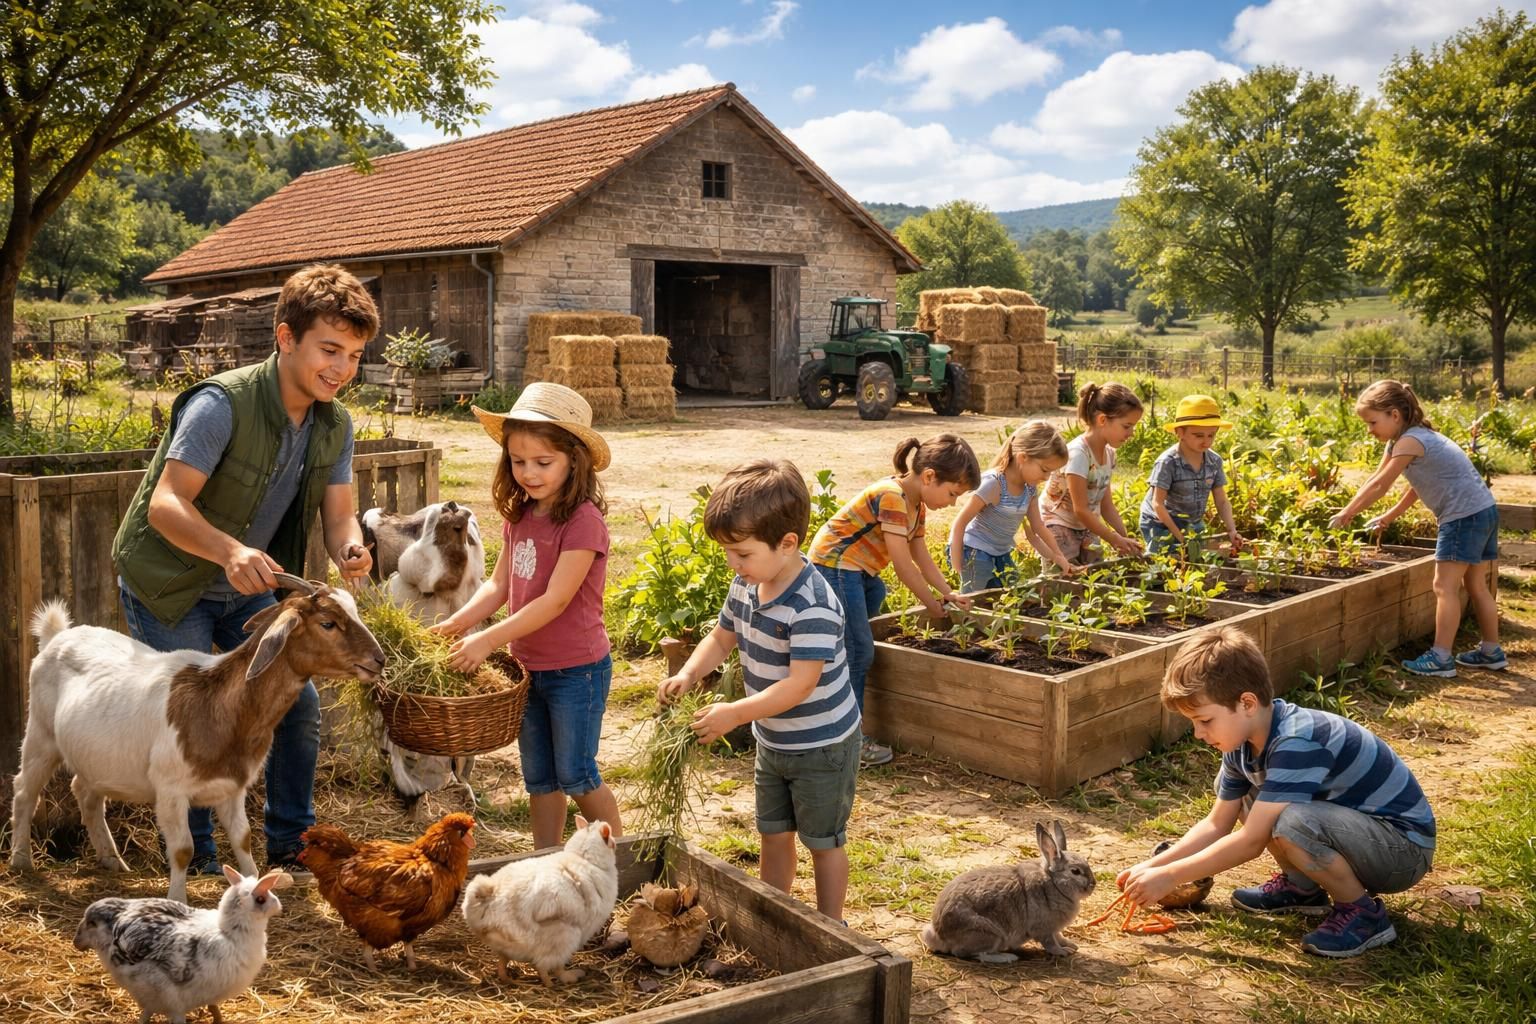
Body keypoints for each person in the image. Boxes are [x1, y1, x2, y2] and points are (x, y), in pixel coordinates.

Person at [112, 263, 378, 874]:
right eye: (329, 350)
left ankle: (293, 843)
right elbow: (165, 505)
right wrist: (231, 552)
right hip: (171, 584)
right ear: (286, 338)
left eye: (355, 355)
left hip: (249, 589)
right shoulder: (220, 405)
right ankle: (200, 859)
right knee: (195, 717)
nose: (342, 368)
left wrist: (350, 548)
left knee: (298, 706)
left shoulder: (334, 424)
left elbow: (340, 517)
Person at [1119, 627, 1435, 958]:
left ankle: (1364, 915)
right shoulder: (1242, 746)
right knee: (1252, 797)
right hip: (1358, 837)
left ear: (1247, 703)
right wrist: (1152, 866)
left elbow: (1252, 841)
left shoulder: (1297, 741)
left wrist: (1170, 877)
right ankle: (1302, 887)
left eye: (1205, 720)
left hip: (1402, 852)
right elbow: (1216, 824)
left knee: (1293, 822)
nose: (1198, 733)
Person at [658, 459, 860, 921]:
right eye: (728, 553)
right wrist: (689, 673)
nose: (734, 563)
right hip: (773, 740)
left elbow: (799, 685)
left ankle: (833, 925)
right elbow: (720, 638)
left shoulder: (812, 605)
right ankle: (774, 915)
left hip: (822, 745)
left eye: (742, 553)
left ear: (787, 543)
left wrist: (734, 713)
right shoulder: (746, 584)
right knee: (773, 831)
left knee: (823, 841)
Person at [432, 383, 622, 850]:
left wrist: (487, 640)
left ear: (574, 460)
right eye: (518, 461)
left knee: (576, 774)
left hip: (577, 670)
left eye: (543, 462)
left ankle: (619, 859)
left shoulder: (583, 522)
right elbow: (498, 586)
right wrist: (459, 623)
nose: (529, 473)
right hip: (528, 669)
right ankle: (546, 858)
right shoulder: (521, 515)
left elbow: (555, 600)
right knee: (539, 777)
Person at [810, 434, 980, 768]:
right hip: (836, 565)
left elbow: (921, 556)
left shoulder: (916, 505)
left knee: (865, 623)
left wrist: (946, 592)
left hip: (860, 572)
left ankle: (834, 705)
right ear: (929, 476)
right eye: (952, 494)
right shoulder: (891, 496)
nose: (953, 503)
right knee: (859, 651)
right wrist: (930, 604)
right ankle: (849, 742)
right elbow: (903, 566)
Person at [1328, 379, 1502, 676]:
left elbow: (1381, 485)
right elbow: (1410, 485)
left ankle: (1441, 658)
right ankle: (1491, 651)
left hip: (1462, 517)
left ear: (1395, 415)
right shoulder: (1411, 439)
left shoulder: (1409, 442)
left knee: (1444, 587)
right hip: (1483, 511)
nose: (1369, 430)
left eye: (1372, 422)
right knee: (1476, 585)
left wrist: (1346, 513)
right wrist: (1388, 516)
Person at [947, 421, 1075, 592]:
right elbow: (960, 522)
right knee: (974, 598)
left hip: (1001, 553)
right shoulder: (995, 484)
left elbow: (1036, 530)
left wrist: (1057, 556)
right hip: (974, 551)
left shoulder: (1030, 489)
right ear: (1022, 457)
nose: (1047, 477)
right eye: (1045, 470)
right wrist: (957, 564)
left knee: (1013, 594)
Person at [1040, 382, 1145, 565]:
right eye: (1127, 426)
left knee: (1095, 573)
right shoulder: (1079, 454)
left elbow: (1106, 506)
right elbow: (1080, 509)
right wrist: (1113, 539)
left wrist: (1125, 538)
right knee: (1063, 577)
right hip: (1058, 524)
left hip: (1086, 524)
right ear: (1102, 420)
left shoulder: (1109, 454)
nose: (1131, 433)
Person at [1138, 393, 1245, 556]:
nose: (1206, 441)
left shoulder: (1214, 461)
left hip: (1192, 522)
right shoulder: (1168, 462)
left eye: (1211, 435)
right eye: (1199, 435)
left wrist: (1232, 530)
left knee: (1198, 558)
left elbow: (1221, 500)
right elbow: (1158, 504)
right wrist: (1180, 538)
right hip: (1160, 522)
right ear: (1180, 432)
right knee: (1165, 560)